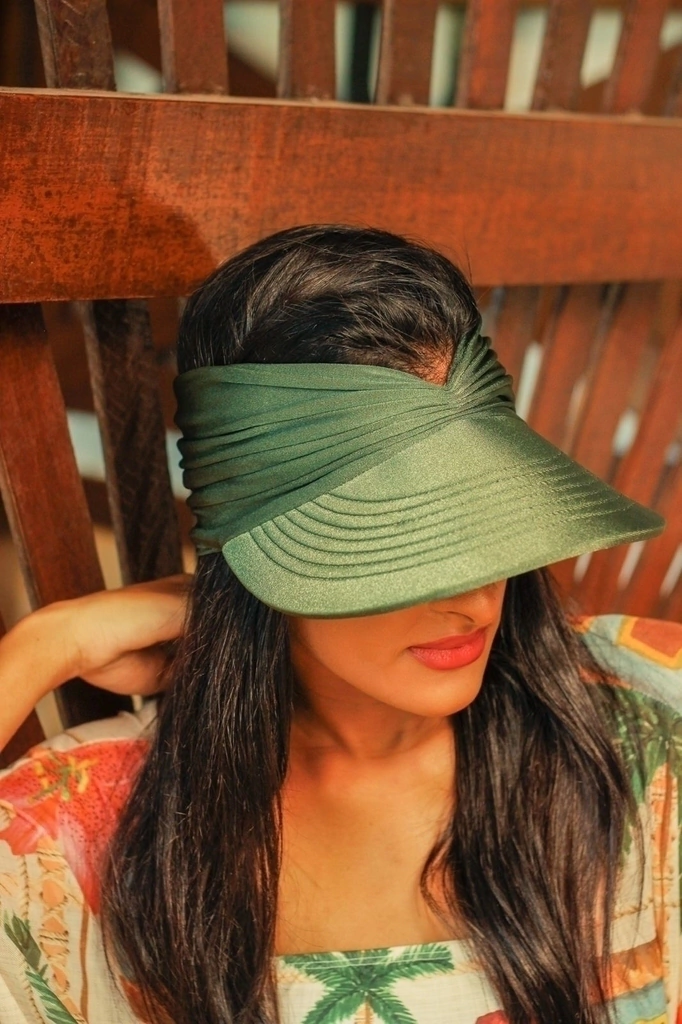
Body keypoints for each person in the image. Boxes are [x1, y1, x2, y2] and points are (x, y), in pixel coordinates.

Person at [0, 224, 680, 1024]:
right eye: (401, 540)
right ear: (255, 547)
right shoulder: (85, 825)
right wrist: (49, 644)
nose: (472, 599)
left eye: (487, 519)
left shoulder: (646, 722)